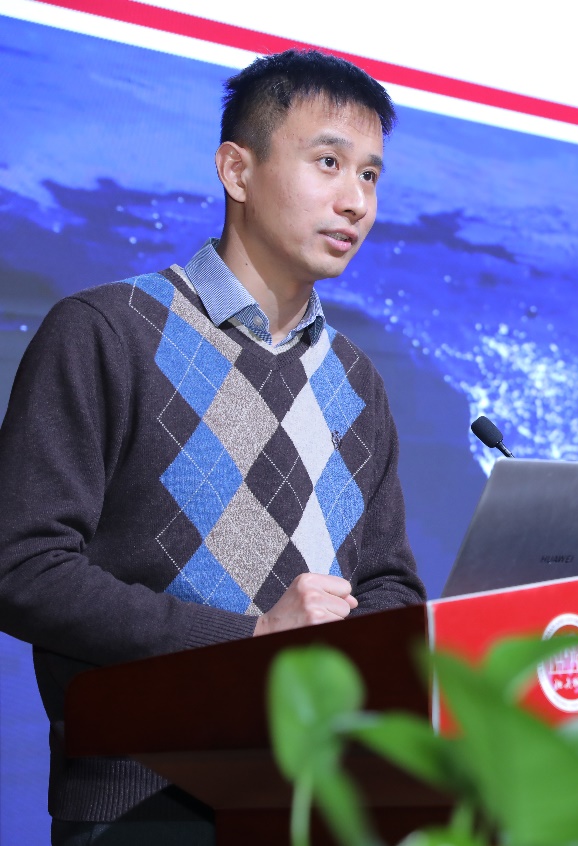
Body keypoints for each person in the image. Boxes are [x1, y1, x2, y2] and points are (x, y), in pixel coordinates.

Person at [0, 49, 426, 844]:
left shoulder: (357, 381)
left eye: (370, 175)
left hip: (315, 797)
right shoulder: (106, 333)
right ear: (237, 169)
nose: (355, 201)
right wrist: (248, 642)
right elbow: (23, 568)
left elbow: (388, 584)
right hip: (141, 803)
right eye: (328, 163)